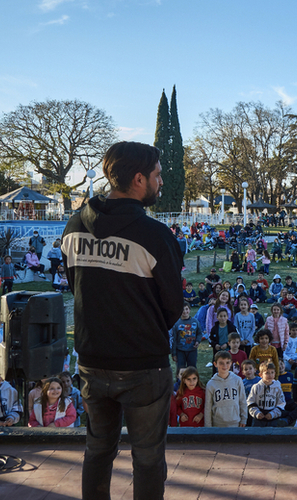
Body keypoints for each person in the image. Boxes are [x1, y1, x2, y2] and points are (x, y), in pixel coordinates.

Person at [61, 141, 184, 499]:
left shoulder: (73, 226)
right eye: (158, 176)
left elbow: (77, 285)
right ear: (139, 179)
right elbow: (173, 306)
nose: (162, 182)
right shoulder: (156, 236)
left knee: (97, 450)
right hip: (144, 366)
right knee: (147, 460)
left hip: (92, 360)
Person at [205, 350, 248, 427]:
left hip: (235, 422)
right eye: (221, 363)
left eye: (227, 362)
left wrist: (244, 419)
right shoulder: (211, 384)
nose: (225, 366)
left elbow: (243, 401)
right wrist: (208, 426)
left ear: (231, 363)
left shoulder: (237, 380)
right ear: (215, 364)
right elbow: (208, 407)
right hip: (218, 423)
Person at [247, 361, 287, 427]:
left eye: (272, 372)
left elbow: (281, 403)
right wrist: (256, 413)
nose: (270, 375)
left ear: (275, 374)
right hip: (258, 418)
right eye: (267, 373)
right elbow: (250, 402)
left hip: (272, 418)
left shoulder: (277, 388)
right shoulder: (256, 387)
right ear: (261, 375)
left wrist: (273, 414)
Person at [170, 305, 202, 373]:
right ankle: (179, 383)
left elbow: (199, 333)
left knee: (192, 368)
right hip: (180, 350)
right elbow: (174, 339)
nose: (185, 311)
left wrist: (198, 341)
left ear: (189, 310)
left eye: (186, 309)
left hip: (192, 350)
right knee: (180, 369)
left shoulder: (195, 321)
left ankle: (193, 382)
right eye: (182, 310)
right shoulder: (176, 323)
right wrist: (174, 353)